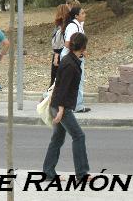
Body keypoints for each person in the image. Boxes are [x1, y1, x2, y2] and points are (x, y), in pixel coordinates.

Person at [42, 32, 90, 181]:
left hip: (58, 104)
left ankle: (49, 172)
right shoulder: (70, 64)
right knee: (79, 136)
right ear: (82, 47)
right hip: (61, 106)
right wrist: (61, 110)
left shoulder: (71, 59)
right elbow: (63, 88)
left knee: (57, 139)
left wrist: (81, 57)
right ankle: (81, 174)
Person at [61, 5, 90, 113]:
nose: (85, 15)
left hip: (75, 57)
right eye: (82, 13)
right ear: (76, 16)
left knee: (75, 81)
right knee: (70, 81)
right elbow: (68, 43)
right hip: (72, 58)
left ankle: (77, 105)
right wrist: (79, 51)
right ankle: (47, 98)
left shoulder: (79, 25)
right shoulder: (73, 26)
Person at [50, 3, 69, 86]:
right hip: (64, 55)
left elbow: (57, 43)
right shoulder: (65, 26)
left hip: (59, 55)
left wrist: (56, 57)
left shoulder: (60, 27)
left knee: (54, 81)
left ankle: (47, 98)